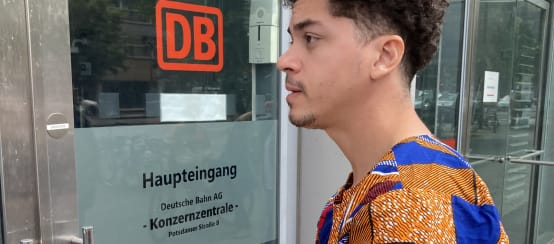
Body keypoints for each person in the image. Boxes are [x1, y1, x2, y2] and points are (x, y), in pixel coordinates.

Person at [277, 0, 509, 243]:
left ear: (384, 56)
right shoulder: (392, 183)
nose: (285, 61)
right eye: (293, 40)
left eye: (311, 38)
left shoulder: (409, 206)